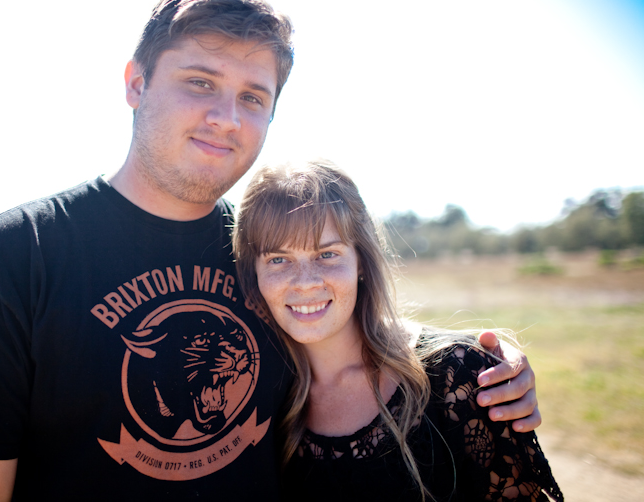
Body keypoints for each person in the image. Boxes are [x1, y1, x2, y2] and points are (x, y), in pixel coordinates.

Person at [0, 0, 541, 501]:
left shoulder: (259, 250)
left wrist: (479, 365)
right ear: (135, 83)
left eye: (253, 97)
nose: (226, 118)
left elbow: (343, 324)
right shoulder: (13, 257)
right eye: (200, 82)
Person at [232, 160, 563, 501]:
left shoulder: (458, 376)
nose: (305, 282)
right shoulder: (257, 398)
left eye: (327, 254)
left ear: (362, 262)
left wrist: (478, 356)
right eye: (278, 259)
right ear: (254, 274)